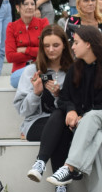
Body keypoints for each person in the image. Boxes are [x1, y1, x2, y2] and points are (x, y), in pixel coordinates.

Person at [42, 26, 102, 192]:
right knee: (92, 134)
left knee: (92, 118)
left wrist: (84, 116)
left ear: (88, 44)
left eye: (76, 42)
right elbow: (65, 98)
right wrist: (72, 111)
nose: (72, 46)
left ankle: (69, 167)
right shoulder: (76, 68)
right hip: (91, 126)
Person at [13, 24, 74, 155]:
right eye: (46, 46)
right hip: (36, 123)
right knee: (62, 127)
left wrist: (58, 95)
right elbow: (23, 110)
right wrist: (36, 93)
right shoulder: (32, 71)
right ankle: (64, 172)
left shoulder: (73, 70)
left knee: (62, 123)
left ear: (64, 45)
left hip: (66, 121)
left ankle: (44, 167)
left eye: (55, 45)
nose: (51, 50)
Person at [5, 0, 50, 87]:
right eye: (26, 4)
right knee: (15, 80)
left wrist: (25, 50)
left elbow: (47, 50)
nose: (30, 7)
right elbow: (10, 56)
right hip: (20, 71)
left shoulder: (43, 23)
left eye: (32, 4)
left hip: (40, 67)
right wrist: (36, 53)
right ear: (18, 7)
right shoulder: (11, 27)